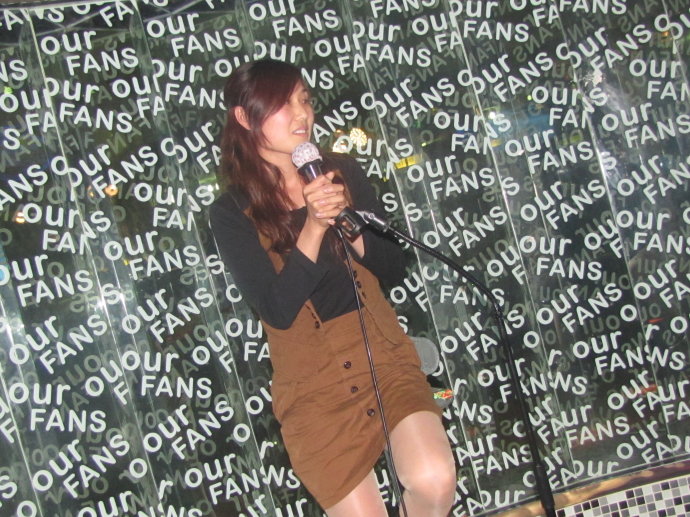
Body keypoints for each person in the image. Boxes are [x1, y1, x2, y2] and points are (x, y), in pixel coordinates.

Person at [209, 59, 456, 517]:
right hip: (315, 387)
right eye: (283, 104)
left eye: (304, 100)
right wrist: (313, 225)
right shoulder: (231, 212)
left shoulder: (341, 173)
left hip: (383, 356)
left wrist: (345, 218)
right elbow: (277, 310)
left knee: (434, 479)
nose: (301, 114)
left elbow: (392, 267)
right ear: (244, 117)